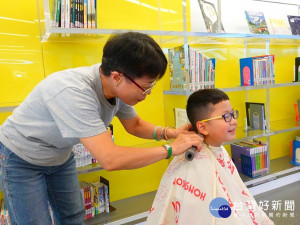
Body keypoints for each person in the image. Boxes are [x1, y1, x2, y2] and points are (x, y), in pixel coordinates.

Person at [0, 32, 203, 225]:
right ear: (116, 77)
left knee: (73, 214)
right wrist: (170, 149)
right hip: (21, 157)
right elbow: (110, 158)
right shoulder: (74, 92)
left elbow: (135, 125)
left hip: (60, 156)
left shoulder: (116, 86)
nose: (147, 93)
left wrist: (170, 133)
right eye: (146, 87)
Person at [146, 88, 274, 225]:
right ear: (202, 127)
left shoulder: (218, 149)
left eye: (233, 114)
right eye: (226, 117)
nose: (234, 121)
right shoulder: (193, 163)